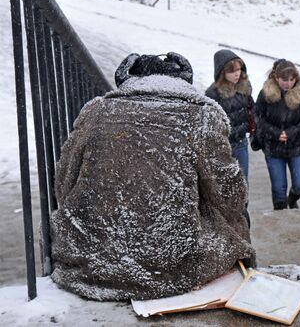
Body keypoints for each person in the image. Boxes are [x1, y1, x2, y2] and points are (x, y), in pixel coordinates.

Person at [50, 52, 256, 301]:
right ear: (183, 81)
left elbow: (62, 185)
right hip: (172, 268)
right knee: (238, 225)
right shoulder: (201, 115)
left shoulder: (96, 112)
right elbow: (231, 198)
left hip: (88, 264)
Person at [255, 59, 300, 210]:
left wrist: (292, 132)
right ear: (276, 78)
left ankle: (293, 198)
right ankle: (280, 215)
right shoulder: (265, 94)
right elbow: (257, 117)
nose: (288, 83)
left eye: (291, 79)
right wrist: (275, 133)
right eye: (284, 80)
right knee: (278, 189)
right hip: (273, 147)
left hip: (297, 145)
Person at [206, 49, 254, 180]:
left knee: (243, 184)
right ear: (222, 72)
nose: (236, 74)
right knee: (225, 185)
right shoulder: (213, 94)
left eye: (238, 69)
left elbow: (252, 110)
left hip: (241, 143)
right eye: (232, 71)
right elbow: (212, 125)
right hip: (223, 147)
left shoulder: (244, 86)